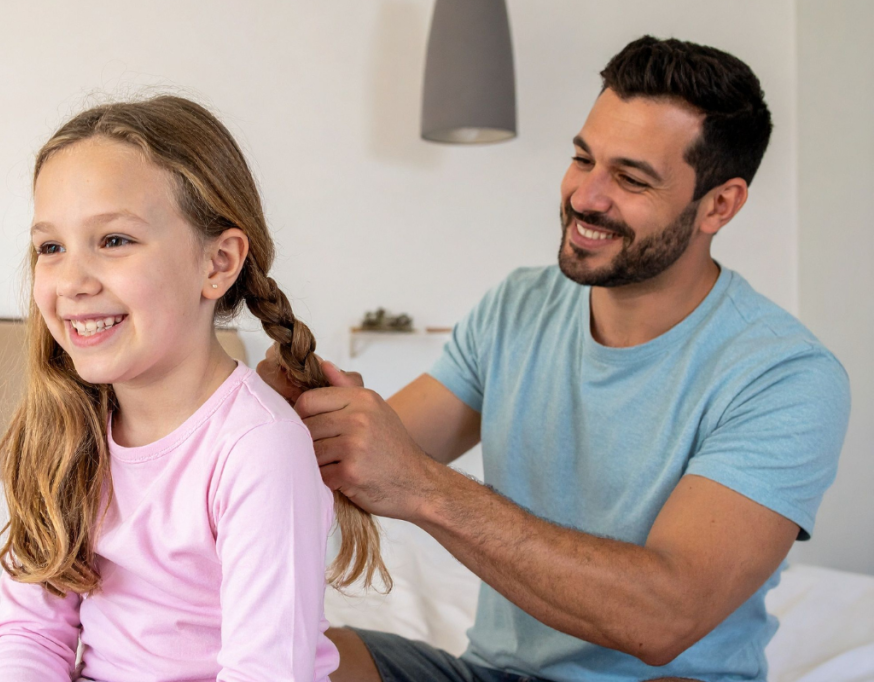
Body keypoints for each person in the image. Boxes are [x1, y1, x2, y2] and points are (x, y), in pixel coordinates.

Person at [260, 36, 851, 682]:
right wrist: (287, 413)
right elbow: (371, 460)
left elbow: (666, 618)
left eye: (630, 178)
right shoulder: (518, 306)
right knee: (306, 659)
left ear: (719, 204)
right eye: (582, 158)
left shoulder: (784, 376)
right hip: (491, 673)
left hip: (666, 680)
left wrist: (423, 488)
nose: (585, 196)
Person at [0, 96, 386, 682]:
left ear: (217, 263)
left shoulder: (258, 447)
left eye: (114, 240)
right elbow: (29, 632)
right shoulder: (60, 429)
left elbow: (266, 671)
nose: (71, 281)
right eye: (51, 247)